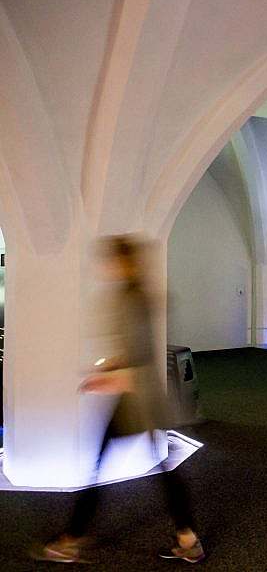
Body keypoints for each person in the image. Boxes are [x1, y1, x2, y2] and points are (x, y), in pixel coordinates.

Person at [33, 235, 204, 564]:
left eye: (112, 261)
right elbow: (136, 352)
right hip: (142, 400)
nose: (107, 267)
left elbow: (140, 357)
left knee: (103, 465)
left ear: (123, 262)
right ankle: (188, 539)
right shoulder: (136, 295)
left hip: (136, 402)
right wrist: (110, 368)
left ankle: (71, 540)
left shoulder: (132, 298)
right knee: (163, 469)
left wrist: (107, 379)